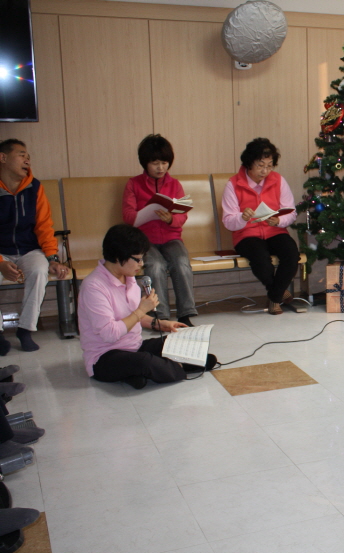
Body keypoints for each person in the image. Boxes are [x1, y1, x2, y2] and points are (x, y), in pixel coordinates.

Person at [78, 225, 215, 390]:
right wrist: (141, 309)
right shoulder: (94, 286)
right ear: (118, 256)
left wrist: (161, 324)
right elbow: (110, 333)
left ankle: (142, 374)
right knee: (144, 362)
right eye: (137, 259)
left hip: (135, 347)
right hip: (105, 357)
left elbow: (134, 317)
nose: (141, 264)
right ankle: (173, 367)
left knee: (179, 344)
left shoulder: (128, 278)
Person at [0, 139, 69, 354]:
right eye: (21, 155)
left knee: (39, 271)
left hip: (29, 250)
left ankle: (25, 329)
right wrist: (0, 262)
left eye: (28, 156)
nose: (27, 160)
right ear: (3, 158)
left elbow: (44, 226)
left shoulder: (35, 187)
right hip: (1, 253)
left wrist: (52, 258)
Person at [122, 135, 197, 327]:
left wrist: (171, 219)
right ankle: (160, 317)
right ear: (145, 163)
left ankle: (185, 314)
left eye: (164, 163)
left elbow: (182, 215)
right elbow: (128, 216)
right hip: (145, 240)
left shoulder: (175, 184)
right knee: (155, 266)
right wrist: (145, 214)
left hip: (172, 238)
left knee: (181, 263)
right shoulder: (133, 184)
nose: (161, 168)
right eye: (155, 163)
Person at [222, 138, 299, 315]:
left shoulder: (278, 180)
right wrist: (242, 218)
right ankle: (278, 295)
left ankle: (274, 297)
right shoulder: (233, 184)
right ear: (249, 163)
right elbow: (228, 220)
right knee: (261, 261)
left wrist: (279, 221)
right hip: (246, 234)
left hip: (275, 231)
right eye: (260, 165)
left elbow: (291, 212)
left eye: (269, 166)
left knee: (291, 254)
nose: (265, 171)